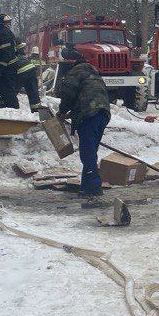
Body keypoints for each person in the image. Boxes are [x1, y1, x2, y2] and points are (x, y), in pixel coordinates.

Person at [54, 45, 111, 202]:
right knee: (90, 151)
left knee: (87, 153)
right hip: (103, 114)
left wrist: (63, 111)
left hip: (89, 115)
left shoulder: (76, 72)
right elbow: (88, 96)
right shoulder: (93, 73)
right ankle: (86, 187)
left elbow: (68, 93)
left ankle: (94, 188)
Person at [1, 13, 44, 111]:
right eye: (7, 23)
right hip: (30, 68)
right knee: (34, 95)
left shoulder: (1, 37)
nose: (8, 25)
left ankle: (10, 111)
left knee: (10, 93)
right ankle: (37, 114)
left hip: (19, 70)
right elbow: (21, 51)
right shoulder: (14, 37)